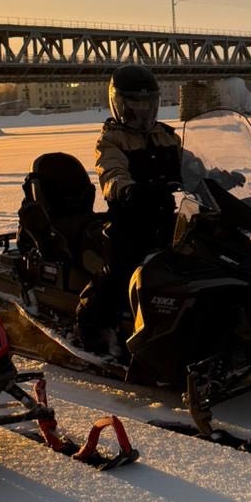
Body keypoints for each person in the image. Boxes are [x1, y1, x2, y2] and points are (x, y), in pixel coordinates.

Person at [76, 65, 182, 360]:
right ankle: (97, 328)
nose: (141, 109)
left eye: (147, 102)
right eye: (134, 102)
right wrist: (127, 189)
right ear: (119, 102)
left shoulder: (167, 136)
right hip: (130, 220)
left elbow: (191, 165)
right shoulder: (111, 139)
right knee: (122, 271)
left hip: (168, 219)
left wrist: (220, 175)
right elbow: (110, 171)